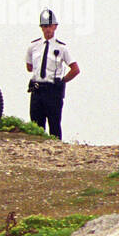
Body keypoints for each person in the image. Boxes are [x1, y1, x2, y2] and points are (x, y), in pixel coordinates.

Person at [25, 8, 79, 139]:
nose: (47, 29)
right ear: (41, 27)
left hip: (52, 90)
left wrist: (62, 80)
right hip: (37, 89)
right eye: (44, 26)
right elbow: (29, 67)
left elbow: (75, 69)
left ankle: (56, 149)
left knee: (54, 125)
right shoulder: (33, 46)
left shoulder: (61, 48)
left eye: (49, 26)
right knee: (36, 126)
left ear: (55, 26)